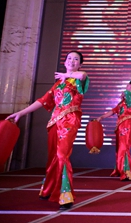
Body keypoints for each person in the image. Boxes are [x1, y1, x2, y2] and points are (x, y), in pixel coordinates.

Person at [6, 51, 89, 210]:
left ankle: (65, 196)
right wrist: (21, 113)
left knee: (62, 155)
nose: (71, 61)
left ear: (80, 64)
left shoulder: (79, 80)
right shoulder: (58, 84)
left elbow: (82, 75)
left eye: (76, 59)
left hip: (70, 120)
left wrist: (68, 75)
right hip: (54, 122)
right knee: (53, 157)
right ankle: (49, 189)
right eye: (69, 58)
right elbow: (43, 101)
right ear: (64, 62)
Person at [97, 79, 131, 181]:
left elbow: (126, 94)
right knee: (120, 148)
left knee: (124, 147)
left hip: (128, 124)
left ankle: (126, 173)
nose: (127, 85)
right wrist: (101, 117)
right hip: (121, 125)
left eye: (128, 84)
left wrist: (126, 92)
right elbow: (114, 111)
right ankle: (120, 169)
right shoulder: (123, 102)